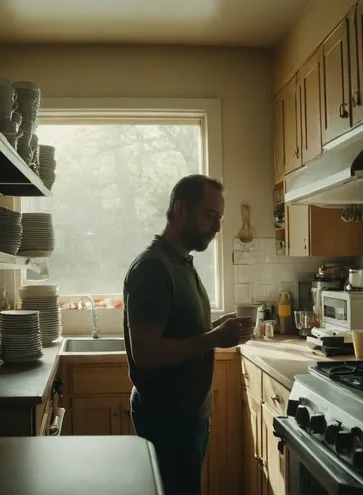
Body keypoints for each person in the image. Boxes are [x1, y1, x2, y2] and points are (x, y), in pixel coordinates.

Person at [123, 174, 253, 495]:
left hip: (187, 416)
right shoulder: (153, 269)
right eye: (212, 216)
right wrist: (212, 338)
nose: (218, 227)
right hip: (167, 419)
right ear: (181, 210)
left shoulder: (181, 262)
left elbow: (180, 329)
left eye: (220, 218)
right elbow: (148, 354)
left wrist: (216, 327)